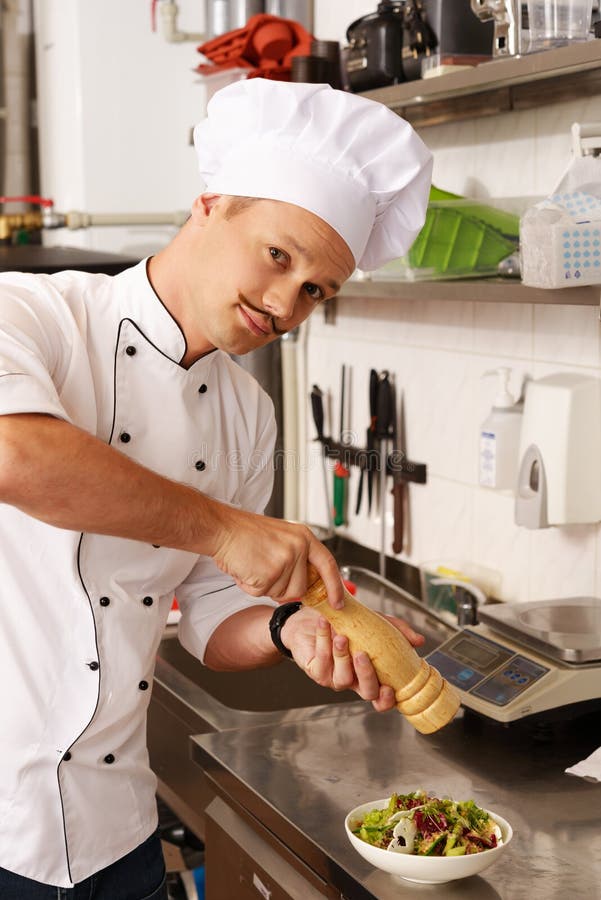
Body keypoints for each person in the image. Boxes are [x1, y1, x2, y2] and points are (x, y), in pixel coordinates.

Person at [0, 78, 432, 898]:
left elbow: (203, 615)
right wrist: (227, 530)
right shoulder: (32, 315)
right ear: (211, 203)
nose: (284, 302)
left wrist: (288, 627)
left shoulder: (248, 414)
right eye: (279, 255)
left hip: (110, 836)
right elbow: (14, 454)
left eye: (316, 290)